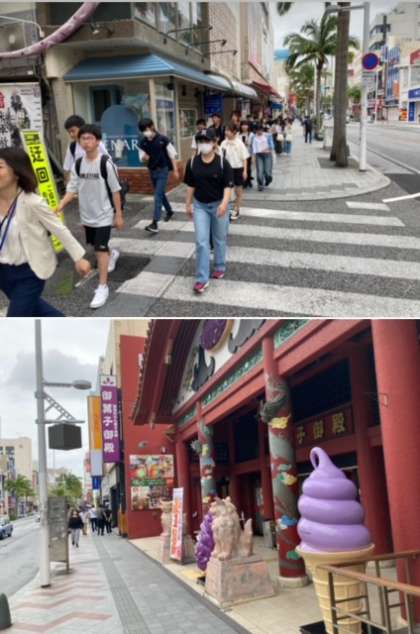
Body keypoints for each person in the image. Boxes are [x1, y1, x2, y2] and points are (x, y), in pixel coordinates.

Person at [0, 147, 91, 317]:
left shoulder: (33, 202)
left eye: (0, 167)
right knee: (36, 309)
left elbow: (59, 229)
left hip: (30, 272)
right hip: (3, 272)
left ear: (16, 172)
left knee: (16, 318)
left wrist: (79, 258)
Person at [57, 124, 123, 310]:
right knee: (96, 246)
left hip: (104, 214)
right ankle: (112, 254)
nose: (86, 142)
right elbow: (72, 189)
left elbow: (116, 190)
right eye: (83, 138)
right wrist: (60, 205)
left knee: (99, 251)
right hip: (87, 215)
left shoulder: (106, 163)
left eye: (90, 138)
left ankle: (102, 287)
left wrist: (119, 215)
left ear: (98, 141)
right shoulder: (78, 164)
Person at [184, 128, 234, 294]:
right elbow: (191, 185)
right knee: (201, 241)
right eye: (200, 141)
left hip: (219, 204)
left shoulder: (222, 163)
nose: (203, 144)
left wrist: (224, 204)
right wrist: (188, 204)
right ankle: (202, 279)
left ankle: (219, 266)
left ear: (214, 142)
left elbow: (228, 186)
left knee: (219, 238)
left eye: (206, 141)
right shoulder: (193, 162)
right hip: (200, 206)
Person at [138, 118, 179, 234]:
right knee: (160, 194)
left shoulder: (163, 139)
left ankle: (154, 223)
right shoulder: (142, 142)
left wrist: (175, 170)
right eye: (143, 130)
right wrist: (144, 158)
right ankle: (169, 211)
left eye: (147, 129)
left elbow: (172, 155)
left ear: (152, 126)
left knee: (157, 195)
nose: (145, 132)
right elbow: (141, 158)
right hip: (152, 170)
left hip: (163, 170)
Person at [63, 115, 108, 183]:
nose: (71, 134)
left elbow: (107, 162)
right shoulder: (72, 147)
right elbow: (67, 168)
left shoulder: (96, 143)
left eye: (73, 131)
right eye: (69, 132)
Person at [220, 124, 249, 221]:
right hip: (227, 170)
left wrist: (245, 171)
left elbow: (244, 158)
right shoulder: (223, 143)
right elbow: (220, 157)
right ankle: (227, 210)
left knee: (238, 191)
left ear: (234, 132)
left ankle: (236, 210)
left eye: (228, 130)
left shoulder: (239, 143)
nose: (226, 132)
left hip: (238, 169)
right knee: (227, 191)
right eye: (226, 130)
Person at [252, 124, 274, 191]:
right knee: (260, 171)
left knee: (267, 172)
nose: (259, 131)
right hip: (259, 156)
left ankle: (268, 180)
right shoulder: (254, 137)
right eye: (258, 130)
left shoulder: (268, 135)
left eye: (260, 130)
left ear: (262, 129)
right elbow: (253, 148)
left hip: (267, 155)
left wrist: (267, 149)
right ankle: (260, 185)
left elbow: (272, 146)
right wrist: (253, 157)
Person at [239, 121, 255, 188]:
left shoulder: (251, 134)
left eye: (246, 125)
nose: (244, 126)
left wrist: (253, 156)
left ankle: (247, 181)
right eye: (243, 125)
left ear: (248, 126)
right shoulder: (238, 134)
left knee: (248, 168)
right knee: (242, 168)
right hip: (240, 154)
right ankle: (245, 180)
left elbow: (253, 145)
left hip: (248, 153)